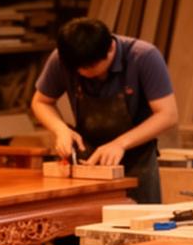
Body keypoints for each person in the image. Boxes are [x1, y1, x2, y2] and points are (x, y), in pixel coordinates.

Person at [29, 18, 178, 204]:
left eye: (92, 68)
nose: (84, 73)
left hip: (136, 159)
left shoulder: (144, 56)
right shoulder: (62, 58)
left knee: (138, 225)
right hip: (87, 158)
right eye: (79, 69)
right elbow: (41, 102)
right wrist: (60, 129)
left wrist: (120, 143)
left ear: (110, 49)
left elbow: (168, 114)